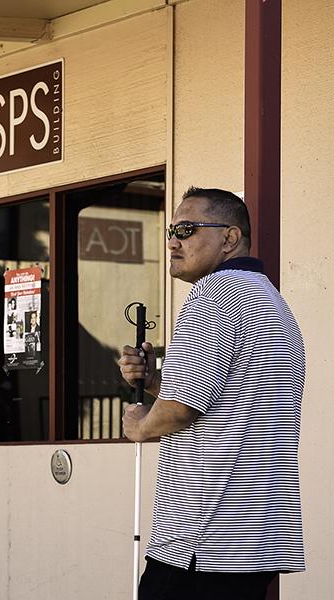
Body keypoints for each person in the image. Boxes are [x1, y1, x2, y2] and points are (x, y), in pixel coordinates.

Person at [118, 187, 305, 600]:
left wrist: (139, 426)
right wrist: (152, 382)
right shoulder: (270, 300)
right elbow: (228, 396)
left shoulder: (212, 294)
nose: (172, 240)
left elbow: (179, 410)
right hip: (256, 538)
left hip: (200, 540)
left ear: (229, 239)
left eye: (186, 228)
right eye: (171, 229)